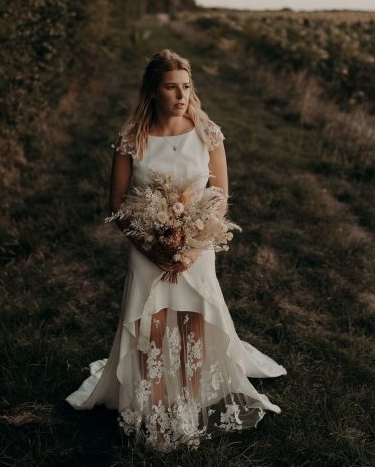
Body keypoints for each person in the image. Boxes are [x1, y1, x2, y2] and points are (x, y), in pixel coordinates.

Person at [65, 49, 286, 451]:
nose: (181, 95)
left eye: (186, 86)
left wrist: (191, 248)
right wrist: (152, 249)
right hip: (146, 245)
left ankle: (187, 409)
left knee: (192, 323)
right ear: (153, 91)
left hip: (197, 248)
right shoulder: (132, 139)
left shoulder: (207, 132)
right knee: (151, 325)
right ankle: (153, 412)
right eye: (171, 87)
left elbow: (218, 198)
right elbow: (116, 206)